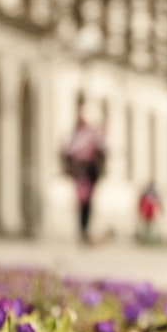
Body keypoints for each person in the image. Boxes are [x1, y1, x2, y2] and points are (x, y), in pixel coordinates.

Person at [62, 101, 107, 244]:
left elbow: (102, 148)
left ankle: (84, 229)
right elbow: (67, 150)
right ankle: (82, 229)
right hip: (81, 170)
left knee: (86, 202)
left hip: (88, 170)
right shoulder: (76, 134)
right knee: (82, 201)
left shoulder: (91, 133)